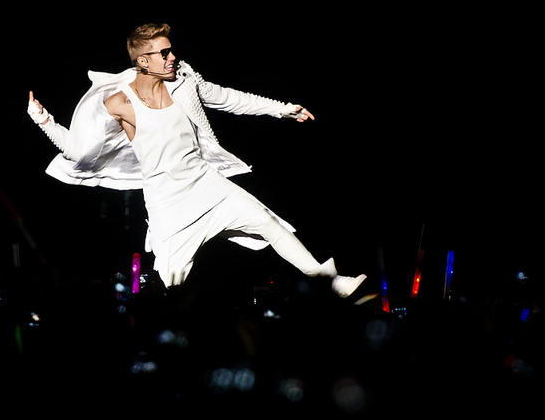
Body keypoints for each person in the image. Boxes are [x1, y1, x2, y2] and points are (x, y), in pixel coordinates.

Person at [27, 23, 366, 297]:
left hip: (206, 182)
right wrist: (43, 121)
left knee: (267, 222)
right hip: (168, 201)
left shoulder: (183, 81)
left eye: (171, 49)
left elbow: (228, 98)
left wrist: (281, 109)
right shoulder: (118, 102)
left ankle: (332, 282)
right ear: (143, 60)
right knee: (171, 282)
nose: (172, 56)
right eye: (164, 52)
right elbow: (78, 151)